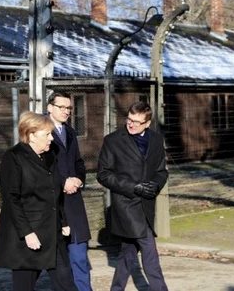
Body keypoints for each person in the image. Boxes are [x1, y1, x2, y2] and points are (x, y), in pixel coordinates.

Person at [0, 111, 78, 291]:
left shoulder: (48, 155)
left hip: (53, 233)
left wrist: (63, 221)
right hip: (29, 237)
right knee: (24, 286)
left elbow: (55, 192)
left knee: (66, 283)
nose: (51, 138)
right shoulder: (14, 157)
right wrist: (27, 233)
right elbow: (11, 199)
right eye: (47, 134)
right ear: (31, 135)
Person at [97, 101, 169, 291]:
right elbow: (103, 174)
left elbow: (162, 171)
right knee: (149, 249)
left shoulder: (155, 140)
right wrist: (134, 187)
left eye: (137, 122)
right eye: (129, 119)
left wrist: (156, 185)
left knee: (128, 252)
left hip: (147, 205)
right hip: (126, 204)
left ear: (147, 123)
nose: (131, 124)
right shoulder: (113, 140)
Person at [47, 91, 93, 291]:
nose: (66, 111)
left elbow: (79, 163)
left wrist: (78, 179)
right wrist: (61, 182)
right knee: (57, 262)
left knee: (79, 256)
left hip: (74, 202)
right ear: (50, 107)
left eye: (69, 108)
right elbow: (39, 168)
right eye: (62, 107)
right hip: (52, 203)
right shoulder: (40, 132)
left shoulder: (71, 132)